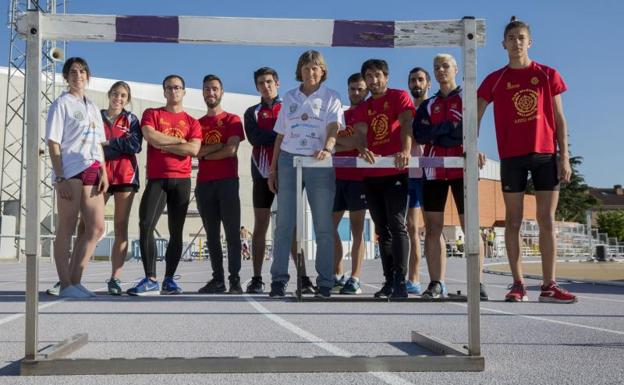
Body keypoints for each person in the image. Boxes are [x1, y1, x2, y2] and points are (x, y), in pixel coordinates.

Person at [477, 17, 577, 303]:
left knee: (546, 220)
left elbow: (559, 118)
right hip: (512, 157)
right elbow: (476, 114)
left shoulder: (547, 74)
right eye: (511, 38)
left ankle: (549, 286)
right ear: (503, 44)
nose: (516, 42)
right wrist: (472, 146)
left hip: (545, 154)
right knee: (513, 222)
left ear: (529, 42)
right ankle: (518, 284)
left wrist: (564, 155)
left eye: (521, 37)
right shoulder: (495, 79)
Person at [268, 50, 344, 298]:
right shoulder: (289, 97)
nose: (310, 72)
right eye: (306, 67)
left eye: (315, 68)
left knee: (323, 225)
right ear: (299, 70)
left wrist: (328, 147)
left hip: (318, 159)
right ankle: (278, 280)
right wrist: (273, 168)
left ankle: (324, 281)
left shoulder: (331, 97)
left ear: (322, 71)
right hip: (289, 159)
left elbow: (333, 126)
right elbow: (280, 135)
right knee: (284, 224)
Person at [413, 53, 488, 300]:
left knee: (470, 227)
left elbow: (465, 132)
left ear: (456, 68)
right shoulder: (427, 104)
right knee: (433, 228)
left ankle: (477, 284)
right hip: (433, 168)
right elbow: (421, 135)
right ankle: (436, 282)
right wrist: (446, 130)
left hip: (462, 168)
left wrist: (442, 131)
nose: (441, 70)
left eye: (445, 66)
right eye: (436, 67)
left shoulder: (467, 99)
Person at [243, 67, 318, 294]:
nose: (265, 86)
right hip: (261, 173)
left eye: (269, 82)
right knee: (260, 225)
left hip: (286, 172)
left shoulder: (289, 106)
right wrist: (281, 134)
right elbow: (255, 138)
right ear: (257, 87)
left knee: (291, 226)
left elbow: (295, 134)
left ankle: (303, 278)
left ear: (277, 83)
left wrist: (282, 135)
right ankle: (257, 278)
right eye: (261, 83)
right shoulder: (251, 112)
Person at [127, 74, 201, 296]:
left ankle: (169, 279)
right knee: (146, 224)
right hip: (158, 178)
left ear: (184, 92)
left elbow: (194, 150)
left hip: (182, 180)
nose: (173, 91)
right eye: (169, 87)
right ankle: (150, 278)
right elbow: (151, 137)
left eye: (177, 87)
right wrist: (180, 142)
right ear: (164, 91)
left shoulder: (192, 122)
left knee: (176, 231)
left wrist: (167, 144)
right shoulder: (152, 114)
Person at [45, 57, 108, 298]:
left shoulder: (92, 106)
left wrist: (104, 170)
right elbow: (53, 142)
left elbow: (98, 143)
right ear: (66, 77)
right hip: (70, 170)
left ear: (88, 76)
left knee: (96, 226)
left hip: (92, 166)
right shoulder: (61, 104)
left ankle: (75, 280)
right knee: (67, 225)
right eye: (73, 71)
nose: (78, 75)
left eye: (82, 71)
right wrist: (60, 176)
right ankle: (65, 284)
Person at [353, 59, 415, 299]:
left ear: (386, 77)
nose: (374, 80)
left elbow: (407, 124)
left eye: (378, 75)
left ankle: (401, 281)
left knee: (397, 225)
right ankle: (389, 280)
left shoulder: (399, 97)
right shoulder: (362, 107)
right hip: (371, 175)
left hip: (396, 172)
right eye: (369, 76)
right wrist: (362, 148)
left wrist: (406, 150)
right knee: (382, 229)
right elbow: (359, 133)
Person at [195, 74, 245, 295]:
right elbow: (194, 150)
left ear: (222, 91)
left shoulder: (232, 120)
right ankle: (218, 279)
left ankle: (234, 280)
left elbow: (231, 149)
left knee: (232, 233)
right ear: (203, 93)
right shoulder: (197, 124)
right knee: (212, 235)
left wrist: (205, 154)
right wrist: (216, 149)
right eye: (207, 89)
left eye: (215, 88)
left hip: (227, 182)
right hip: (204, 184)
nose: (211, 93)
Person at [100, 81, 142, 295]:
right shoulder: (96, 116)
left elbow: (135, 145)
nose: (118, 98)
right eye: (115, 94)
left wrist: (107, 144)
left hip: (126, 175)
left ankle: (115, 278)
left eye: (123, 96)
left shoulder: (132, 119)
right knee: (88, 225)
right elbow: (90, 144)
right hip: (100, 174)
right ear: (109, 94)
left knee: (120, 226)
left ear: (128, 99)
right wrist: (119, 144)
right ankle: (71, 276)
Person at [331, 73, 368, 295]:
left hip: (358, 178)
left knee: (357, 229)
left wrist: (340, 143)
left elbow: (358, 142)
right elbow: (332, 141)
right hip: (337, 177)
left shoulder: (367, 113)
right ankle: (338, 275)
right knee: (328, 225)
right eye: (353, 89)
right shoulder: (341, 115)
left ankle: (355, 278)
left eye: (360, 89)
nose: (356, 93)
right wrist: (343, 144)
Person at [405, 67, 431, 295]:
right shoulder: (405, 109)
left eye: (420, 79)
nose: (416, 83)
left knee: (434, 226)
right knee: (411, 226)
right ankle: (413, 278)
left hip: (431, 171)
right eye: (412, 80)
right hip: (410, 172)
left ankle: (436, 279)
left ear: (428, 83)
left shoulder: (434, 106)